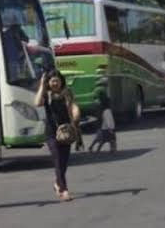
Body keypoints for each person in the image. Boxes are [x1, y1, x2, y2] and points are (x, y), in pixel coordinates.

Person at [34, 69, 83, 201]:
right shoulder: (46, 94)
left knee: (64, 162)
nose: (55, 83)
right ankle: (64, 190)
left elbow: (73, 106)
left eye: (57, 80)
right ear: (48, 82)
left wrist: (76, 113)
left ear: (61, 81)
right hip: (52, 132)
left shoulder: (67, 93)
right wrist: (41, 85)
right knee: (57, 159)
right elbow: (37, 103)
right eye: (52, 81)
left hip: (66, 132)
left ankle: (57, 183)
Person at [89, 77, 117, 153]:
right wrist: (111, 128)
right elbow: (109, 120)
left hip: (98, 112)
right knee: (110, 138)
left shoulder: (96, 89)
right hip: (105, 117)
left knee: (100, 137)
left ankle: (93, 147)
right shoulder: (103, 90)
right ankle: (112, 149)